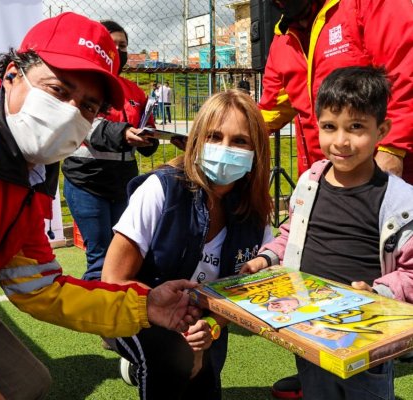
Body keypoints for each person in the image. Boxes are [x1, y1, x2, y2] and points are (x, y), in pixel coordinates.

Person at [0, 12, 200, 400]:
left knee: (27, 383)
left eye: (88, 106)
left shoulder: (30, 173)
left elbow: (40, 289)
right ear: (14, 73)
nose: (70, 111)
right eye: (58, 89)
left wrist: (143, 305)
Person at [242, 65, 413, 400]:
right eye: (329, 127)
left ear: (383, 130)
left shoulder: (400, 201)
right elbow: (292, 231)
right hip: (309, 330)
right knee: (317, 389)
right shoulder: (310, 182)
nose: (341, 141)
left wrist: (381, 291)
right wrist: (267, 257)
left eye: (357, 127)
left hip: (365, 335)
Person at [101, 89, 274, 400]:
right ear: (196, 140)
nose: (224, 149)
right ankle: (144, 358)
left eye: (239, 141)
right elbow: (112, 281)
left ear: (256, 150)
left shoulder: (256, 211)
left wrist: (213, 328)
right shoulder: (160, 190)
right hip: (140, 309)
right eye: (214, 136)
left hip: (207, 317)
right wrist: (174, 330)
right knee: (175, 362)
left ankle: (150, 363)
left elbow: (243, 290)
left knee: (204, 375)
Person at [259, 0, 413, 185]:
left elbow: (405, 70)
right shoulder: (283, 38)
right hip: (321, 179)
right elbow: (271, 109)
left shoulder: (367, 4)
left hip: (380, 175)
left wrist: (392, 150)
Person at [62, 20, 159, 281]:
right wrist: (124, 133)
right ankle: (95, 318)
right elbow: (86, 127)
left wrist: (153, 138)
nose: (118, 51)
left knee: (125, 254)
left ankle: (123, 313)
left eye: (123, 46)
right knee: (100, 259)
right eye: (111, 45)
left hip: (124, 185)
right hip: (86, 182)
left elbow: (145, 131)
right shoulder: (84, 86)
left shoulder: (134, 91)